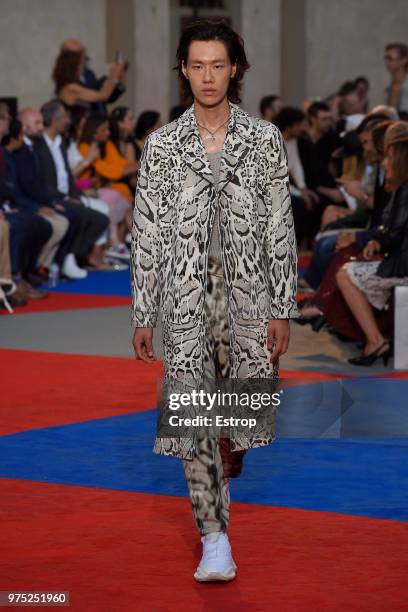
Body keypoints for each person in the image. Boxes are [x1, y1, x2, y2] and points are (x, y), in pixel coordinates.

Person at [131, 19, 298, 582]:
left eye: (218, 65)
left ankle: (230, 460)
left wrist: (282, 305)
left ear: (236, 69)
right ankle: (214, 539)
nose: (208, 76)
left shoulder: (265, 140)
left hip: (248, 298)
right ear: (183, 69)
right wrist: (143, 311)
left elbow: (280, 226)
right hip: (183, 297)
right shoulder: (162, 145)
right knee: (193, 415)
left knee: (240, 424)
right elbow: (147, 232)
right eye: (197, 65)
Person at [335, 121, 408, 365]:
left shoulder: (404, 188)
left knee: (345, 274)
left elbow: (394, 231)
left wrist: (378, 239)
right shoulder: (401, 186)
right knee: (345, 261)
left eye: (387, 156)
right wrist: (377, 239)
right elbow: (390, 227)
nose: (383, 162)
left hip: (404, 266)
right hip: (400, 259)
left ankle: (375, 341)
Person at [35, 100, 110, 274]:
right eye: (65, 117)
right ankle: (62, 260)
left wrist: (74, 194)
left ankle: (69, 256)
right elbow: (40, 181)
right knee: (79, 215)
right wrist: (61, 198)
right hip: (52, 198)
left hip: (68, 195)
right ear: (56, 120)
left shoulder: (60, 141)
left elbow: (66, 175)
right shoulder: (39, 146)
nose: (69, 121)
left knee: (100, 219)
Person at [60, 39, 127, 116]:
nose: (84, 63)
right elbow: (102, 95)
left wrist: (118, 77)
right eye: (83, 59)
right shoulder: (68, 86)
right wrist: (114, 74)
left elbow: (101, 94)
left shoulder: (88, 74)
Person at [384, 43, 408, 114]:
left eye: (390, 58)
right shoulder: (389, 85)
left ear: (404, 60)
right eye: (386, 58)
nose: (387, 62)